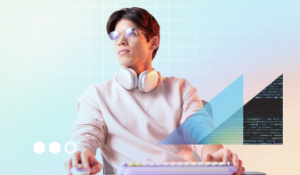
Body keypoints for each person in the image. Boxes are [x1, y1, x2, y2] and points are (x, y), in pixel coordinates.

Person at [64, 7, 245, 175]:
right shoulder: (96, 95)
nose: (121, 41)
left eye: (131, 33)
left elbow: (200, 129)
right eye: (115, 35)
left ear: (153, 42)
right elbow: (86, 133)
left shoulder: (181, 88)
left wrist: (216, 155)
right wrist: (81, 154)